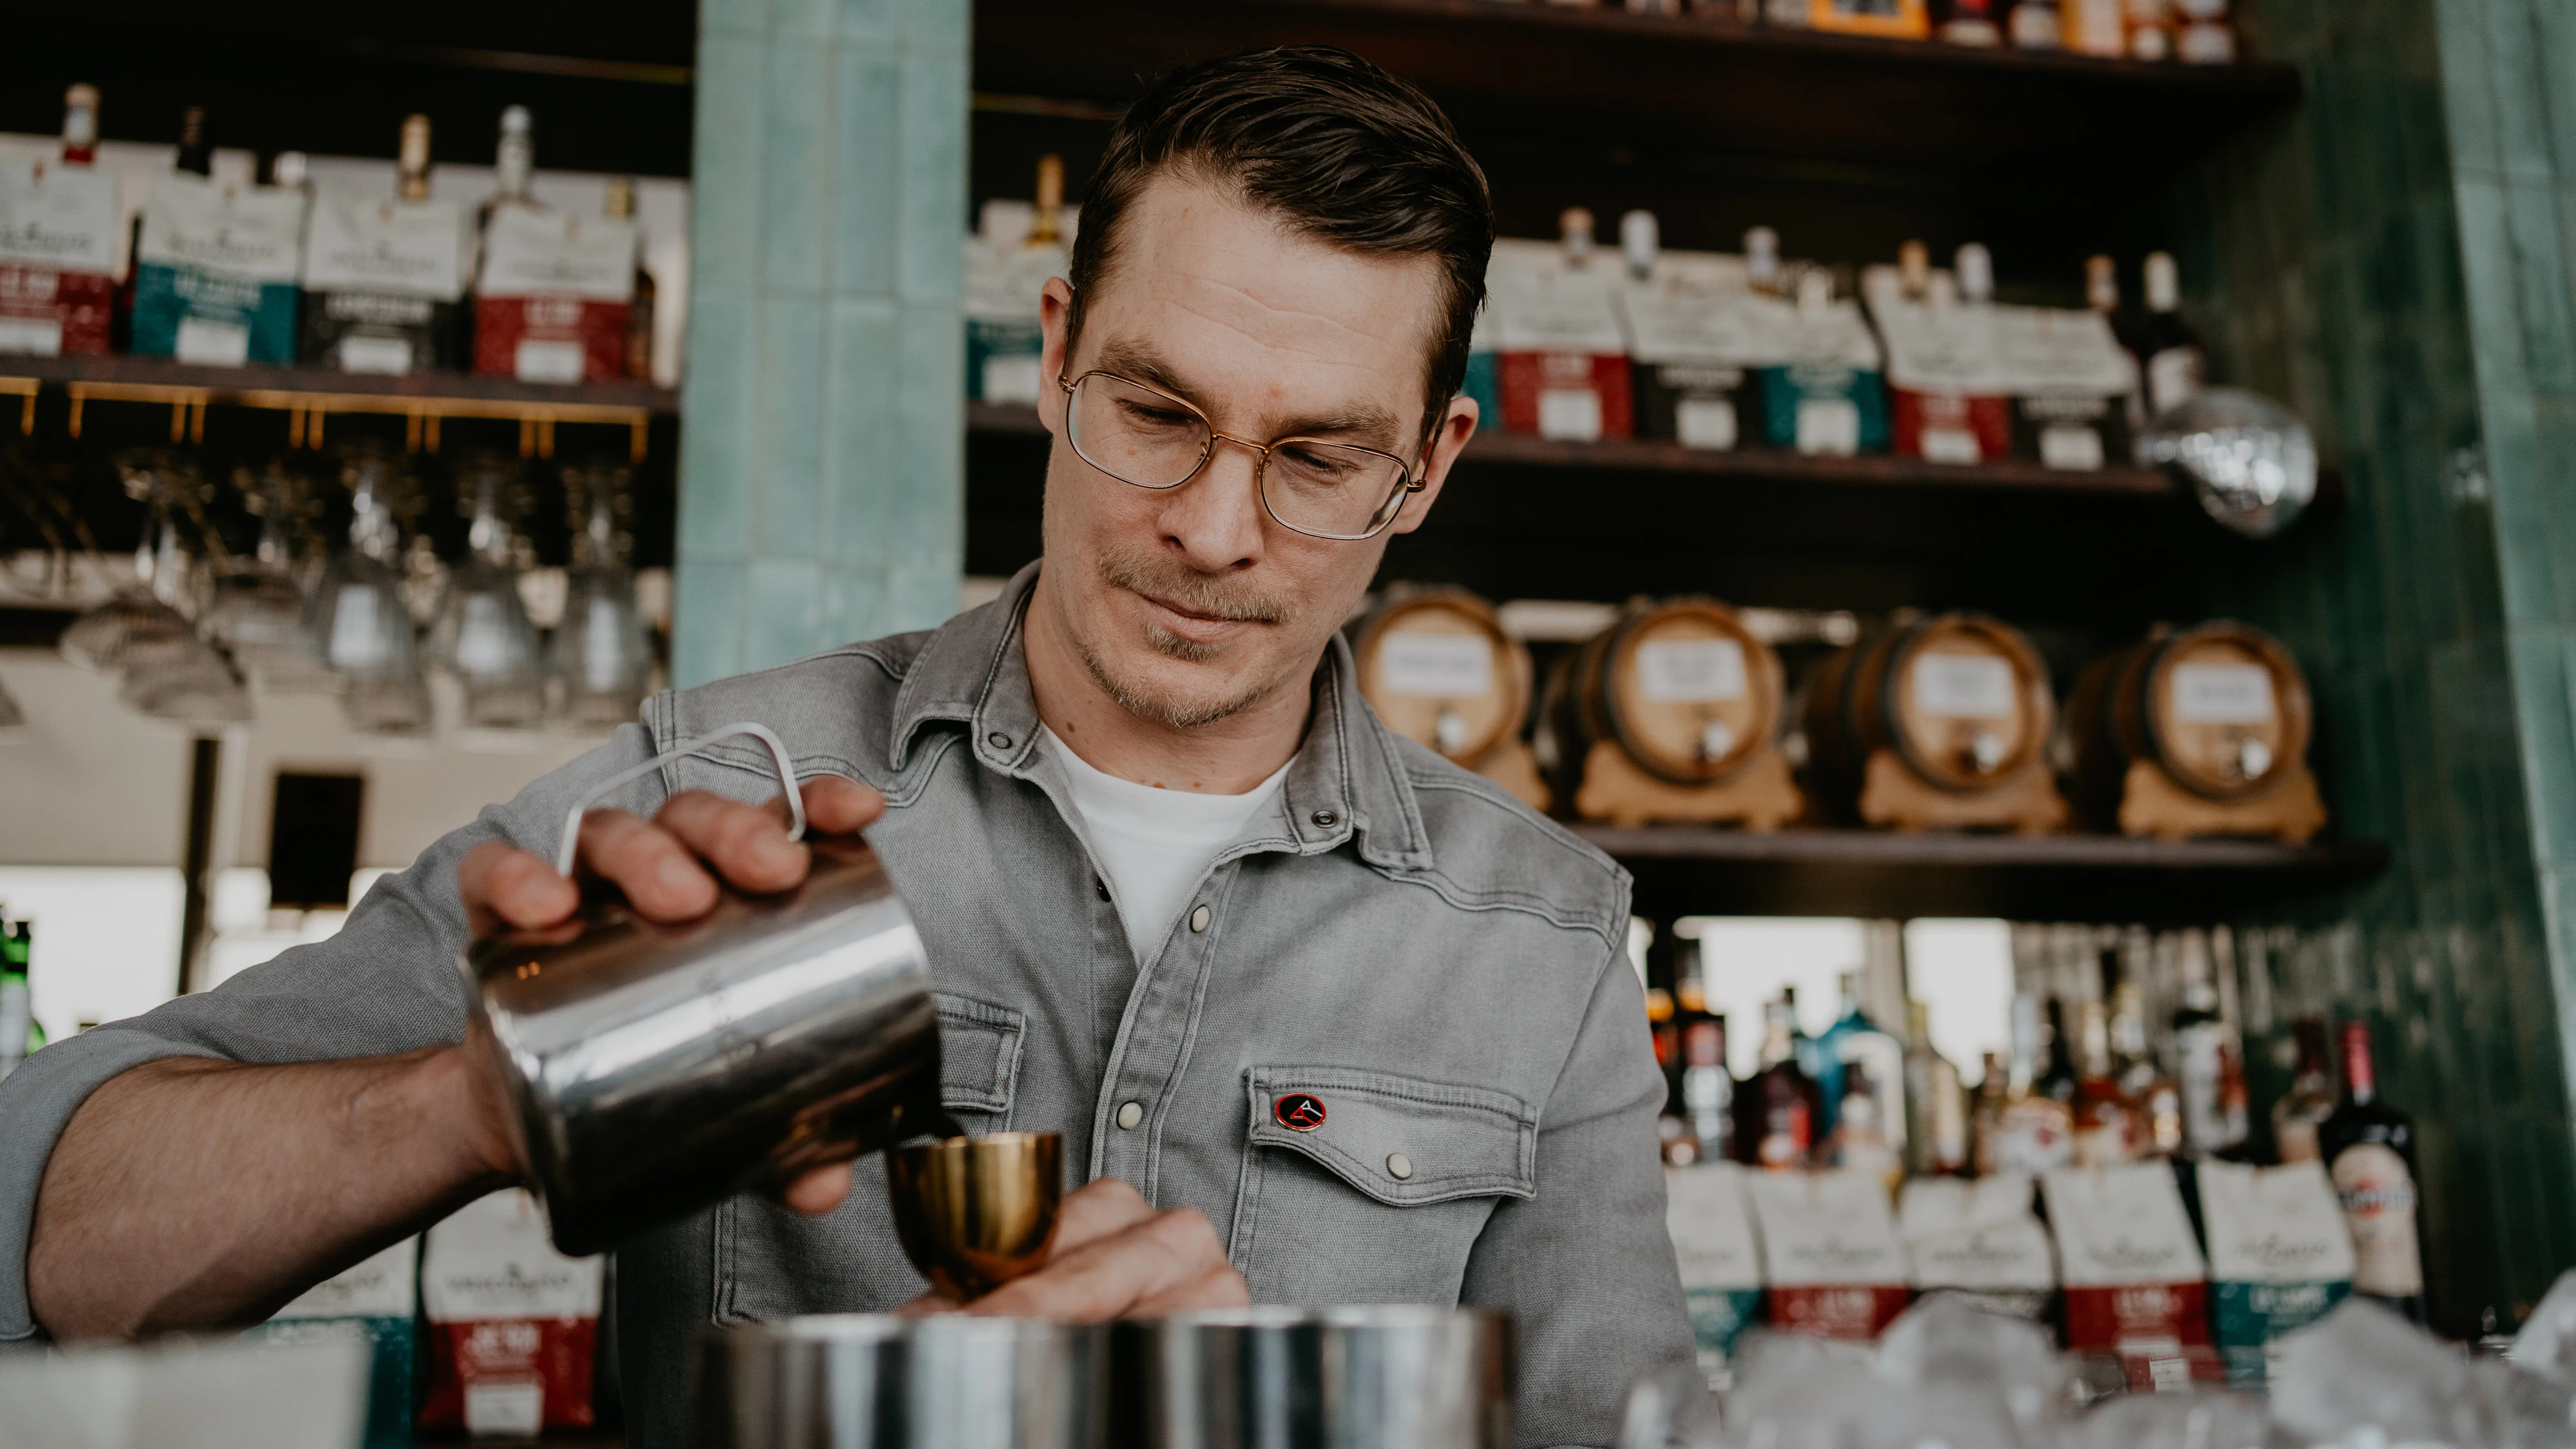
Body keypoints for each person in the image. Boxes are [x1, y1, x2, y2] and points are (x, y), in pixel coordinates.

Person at [2, 47, 1689, 1446]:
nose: (1214, 527)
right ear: (1051, 350)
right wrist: (474, 1098)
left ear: (1431, 465)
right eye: (1157, 411)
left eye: (1321, 457)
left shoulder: (1541, 944)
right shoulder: (709, 794)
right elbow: (47, 1234)